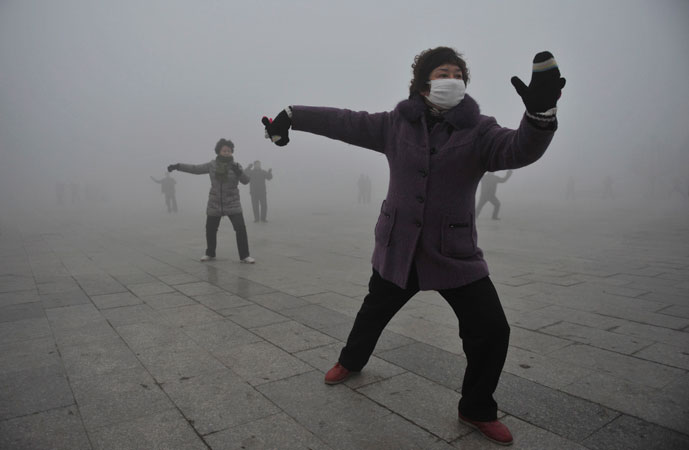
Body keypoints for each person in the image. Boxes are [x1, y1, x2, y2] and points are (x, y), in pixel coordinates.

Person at [262, 47, 565, 446]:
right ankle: (350, 361)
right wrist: (294, 115)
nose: (451, 78)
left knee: (491, 329)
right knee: (373, 312)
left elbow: (518, 149)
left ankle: (475, 407)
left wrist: (540, 115)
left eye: (458, 73)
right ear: (424, 84)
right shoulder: (395, 125)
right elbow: (346, 121)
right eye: (442, 72)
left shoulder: (480, 130)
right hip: (398, 246)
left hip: (453, 252)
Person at [168, 139, 255, 263]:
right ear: (219, 151)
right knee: (210, 229)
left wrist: (239, 172)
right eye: (224, 150)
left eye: (229, 151)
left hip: (232, 202)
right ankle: (210, 253)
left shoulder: (236, 166)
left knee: (240, 228)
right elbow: (195, 169)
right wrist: (178, 166)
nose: (226, 153)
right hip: (215, 202)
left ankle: (245, 255)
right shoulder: (212, 165)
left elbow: (246, 181)